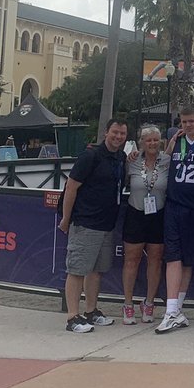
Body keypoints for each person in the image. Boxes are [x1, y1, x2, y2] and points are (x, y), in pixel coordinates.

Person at [58, 118, 127, 333]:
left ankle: (91, 311)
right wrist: (66, 218)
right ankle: (72, 316)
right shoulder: (90, 156)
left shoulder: (121, 158)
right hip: (86, 222)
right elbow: (71, 188)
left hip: (107, 223)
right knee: (77, 269)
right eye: (115, 132)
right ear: (106, 133)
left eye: (122, 134)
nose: (118, 137)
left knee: (96, 271)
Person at [155, 107, 194, 334]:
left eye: (191, 121)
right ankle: (171, 310)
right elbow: (162, 161)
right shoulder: (175, 142)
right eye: (184, 121)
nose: (188, 125)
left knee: (187, 260)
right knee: (173, 256)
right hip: (174, 204)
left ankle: (176, 309)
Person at [122, 125, 167, 325]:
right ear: (141, 142)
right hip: (135, 213)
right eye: (148, 140)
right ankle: (128, 304)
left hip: (158, 215)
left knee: (155, 260)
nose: (152, 144)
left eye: (156, 140)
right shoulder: (131, 161)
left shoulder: (167, 161)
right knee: (132, 260)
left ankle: (149, 303)